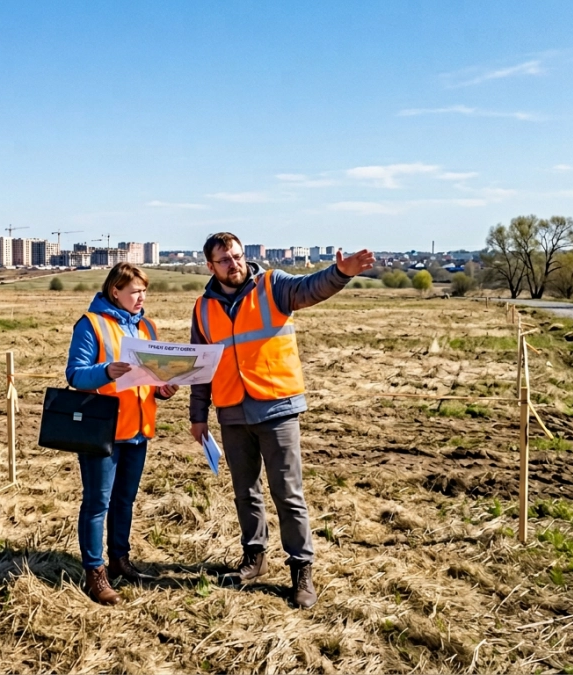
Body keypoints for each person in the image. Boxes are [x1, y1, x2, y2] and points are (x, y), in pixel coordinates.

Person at [189, 233, 374, 609]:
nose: (234, 264)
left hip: (276, 407)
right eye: (224, 260)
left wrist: (340, 273)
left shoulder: (272, 286)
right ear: (210, 266)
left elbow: (311, 288)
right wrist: (198, 416)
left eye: (237, 256)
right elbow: (201, 366)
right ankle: (254, 557)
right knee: (245, 492)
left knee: (287, 494)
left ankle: (301, 570)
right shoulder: (203, 307)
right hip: (232, 411)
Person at [66, 262, 179, 606]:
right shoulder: (91, 324)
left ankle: (120, 559)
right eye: (135, 291)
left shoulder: (147, 326)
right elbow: (75, 375)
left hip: (139, 430)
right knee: (97, 503)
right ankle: (95, 572)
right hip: (103, 430)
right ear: (115, 291)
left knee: (124, 501)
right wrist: (106, 371)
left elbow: (151, 377)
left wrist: (163, 389)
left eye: (144, 291)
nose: (141, 297)